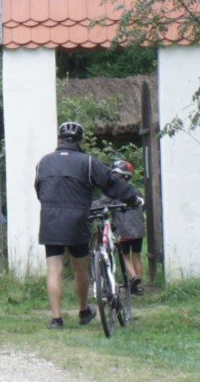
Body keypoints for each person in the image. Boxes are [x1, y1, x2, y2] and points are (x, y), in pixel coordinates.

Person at [35, 121, 139, 328]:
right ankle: (83, 311)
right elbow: (110, 183)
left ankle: (57, 319)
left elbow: (40, 189)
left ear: (60, 139)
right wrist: (132, 198)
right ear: (80, 141)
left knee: (54, 269)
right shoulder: (88, 162)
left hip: (50, 219)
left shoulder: (44, 162)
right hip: (77, 220)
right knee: (80, 268)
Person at [111, 158, 148, 296]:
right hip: (138, 229)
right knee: (137, 255)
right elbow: (143, 206)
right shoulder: (135, 190)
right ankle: (138, 287)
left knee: (125, 256)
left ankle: (133, 277)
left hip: (123, 229)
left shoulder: (116, 191)